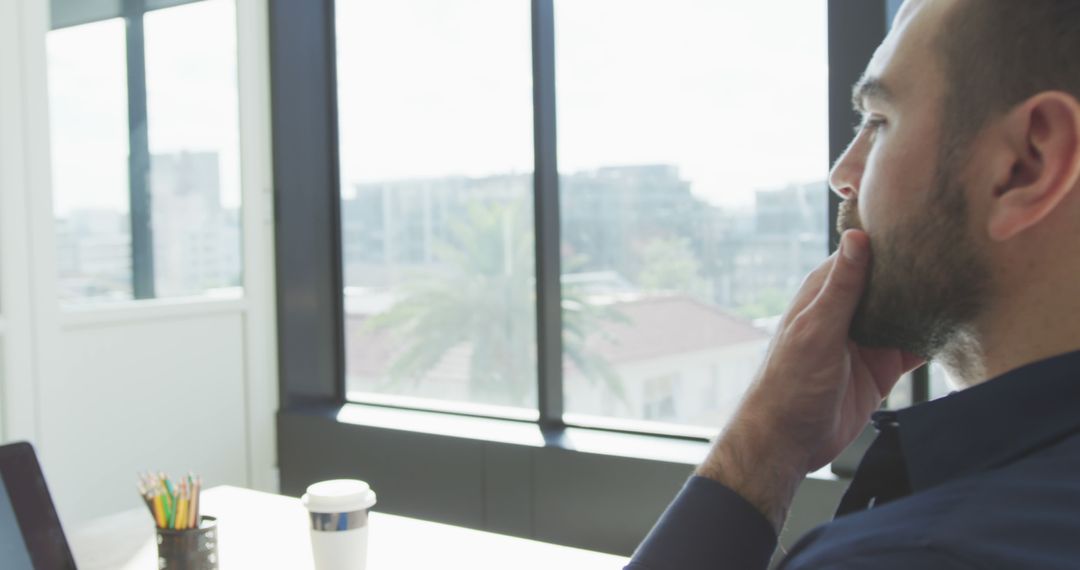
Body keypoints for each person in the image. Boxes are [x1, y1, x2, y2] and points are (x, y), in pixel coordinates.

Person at [625, 0, 1080, 567]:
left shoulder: (908, 555)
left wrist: (763, 446)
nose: (843, 174)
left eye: (880, 121)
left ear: (1026, 164)